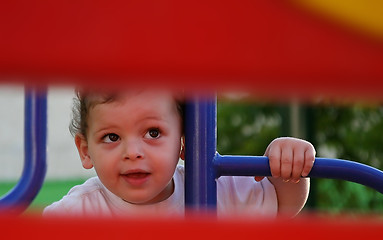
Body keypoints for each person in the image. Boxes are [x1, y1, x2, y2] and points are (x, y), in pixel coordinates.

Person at [43, 89, 316, 218]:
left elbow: (284, 203)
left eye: (152, 133)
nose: (133, 152)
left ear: (185, 141)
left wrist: (286, 161)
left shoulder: (211, 189)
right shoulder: (79, 213)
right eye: (111, 137)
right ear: (85, 150)